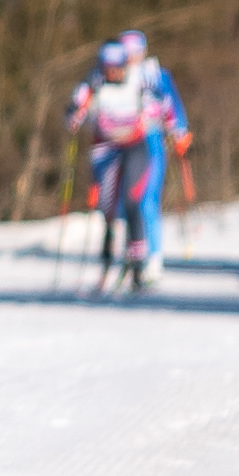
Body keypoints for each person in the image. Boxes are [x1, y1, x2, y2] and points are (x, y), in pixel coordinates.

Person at [70, 32, 185, 297]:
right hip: (106, 147)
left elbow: (164, 103)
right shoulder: (93, 82)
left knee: (135, 201)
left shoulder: (142, 79)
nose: (113, 72)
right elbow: (75, 107)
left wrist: (174, 126)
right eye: (108, 67)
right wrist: (74, 117)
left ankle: (138, 266)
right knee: (108, 207)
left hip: (135, 145)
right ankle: (107, 264)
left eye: (118, 67)